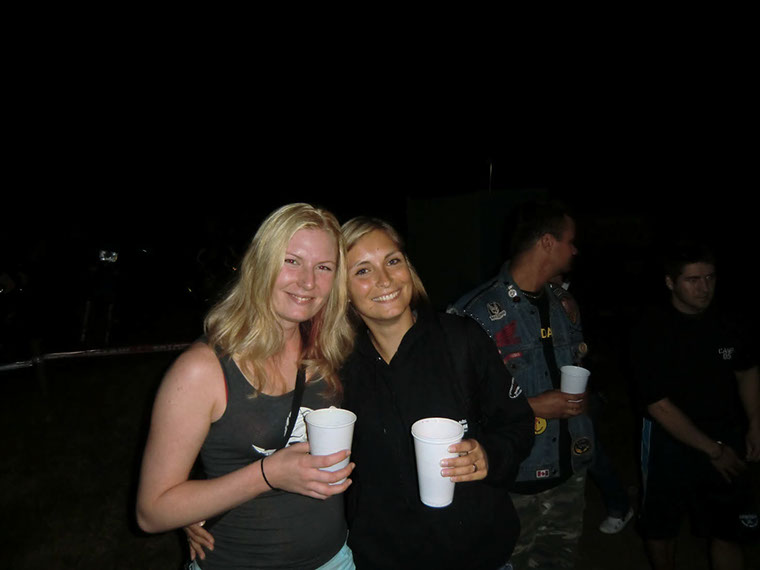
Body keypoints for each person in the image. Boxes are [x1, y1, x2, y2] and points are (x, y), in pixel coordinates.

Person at [136, 203, 357, 570]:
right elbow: (152, 512)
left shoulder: (328, 351)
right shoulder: (202, 370)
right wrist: (267, 475)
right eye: (292, 261)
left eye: (324, 267)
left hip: (335, 560)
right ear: (260, 264)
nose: (308, 282)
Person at [339, 216, 535, 569]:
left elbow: (518, 422)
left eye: (392, 261)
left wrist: (489, 455)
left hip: (476, 553)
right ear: (344, 291)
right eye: (363, 270)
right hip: (385, 558)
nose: (384, 279)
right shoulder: (339, 369)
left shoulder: (461, 340)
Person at [448, 200, 594, 569]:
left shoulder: (565, 305)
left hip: (568, 472)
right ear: (547, 242)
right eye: (570, 241)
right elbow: (455, 409)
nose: (575, 250)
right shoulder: (475, 314)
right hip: (513, 480)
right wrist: (534, 406)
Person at [631, 241, 760, 570]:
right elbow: (658, 405)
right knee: (661, 528)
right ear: (670, 282)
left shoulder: (729, 321)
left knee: (728, 529)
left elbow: (746, 371)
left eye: (710, 278)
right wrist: (713, 451)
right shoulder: (651, 329)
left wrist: (755, 422)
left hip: (725, 432)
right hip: (668, 441)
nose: (704, 288)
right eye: (693, 280)